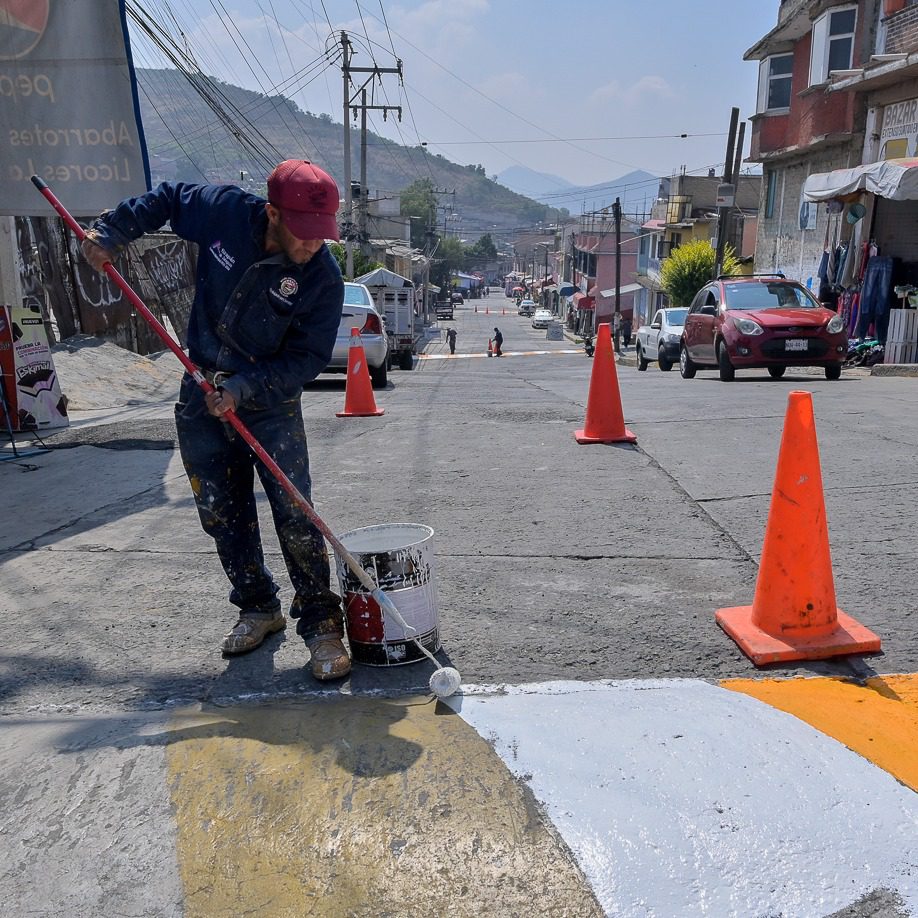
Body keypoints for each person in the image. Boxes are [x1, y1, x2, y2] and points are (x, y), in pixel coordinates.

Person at [80, 160, 352, 682]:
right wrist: (112, 231)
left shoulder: (322, 278)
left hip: (267, 400)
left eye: (324, 234)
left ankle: (321, 623)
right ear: (272, 213)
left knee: (295, 511)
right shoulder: (225, 212)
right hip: (199, 383)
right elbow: (168, 200)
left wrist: (244, 388)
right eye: (305, 232)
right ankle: (258, 607)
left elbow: (307, 359)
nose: (314, 245)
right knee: (219, 509)